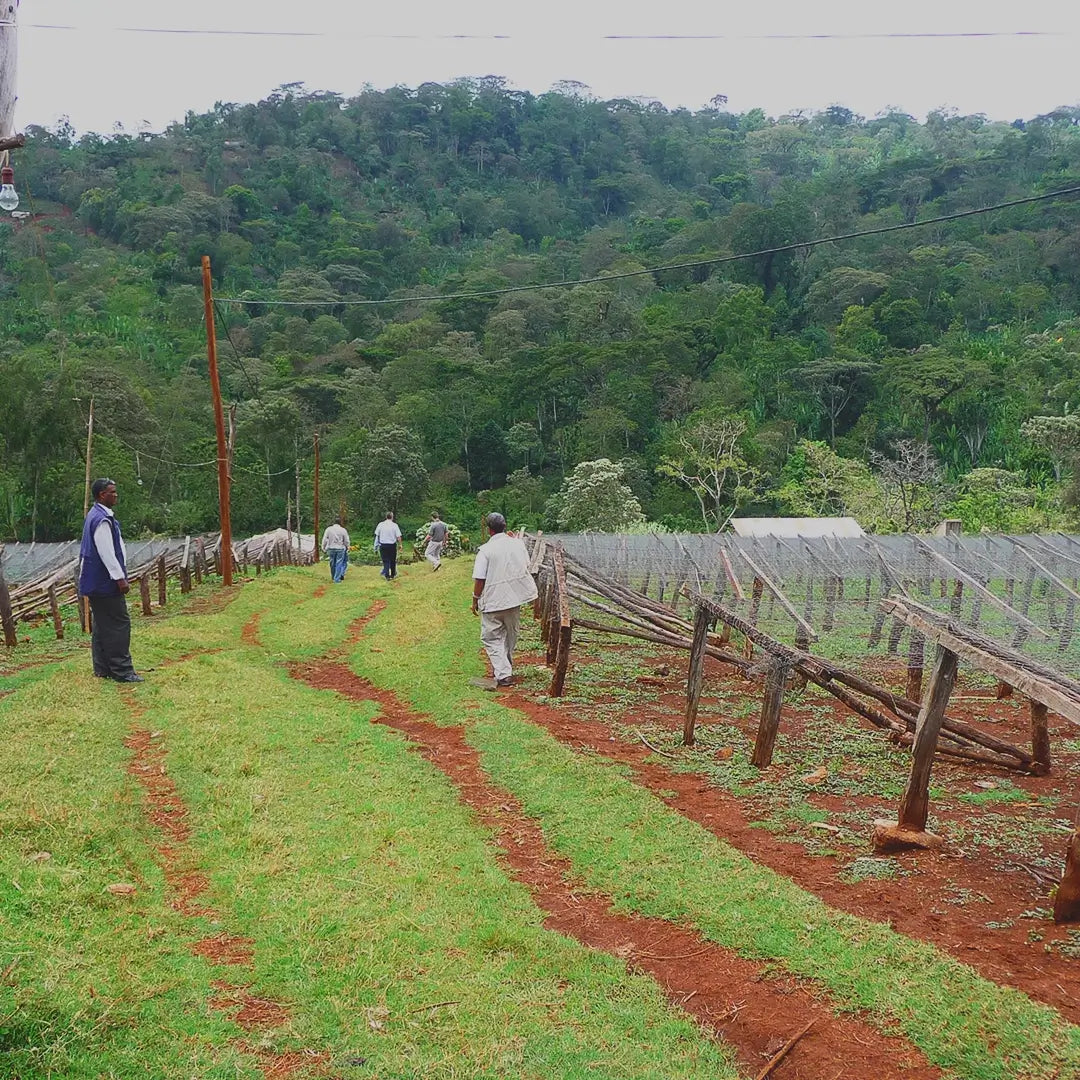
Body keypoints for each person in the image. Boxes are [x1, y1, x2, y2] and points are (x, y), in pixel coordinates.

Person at [78, 478, 143, 683]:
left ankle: (102, 667)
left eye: (115, 492)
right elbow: (106, 552)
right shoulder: (101, 520)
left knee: (102, 624)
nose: (115, 495)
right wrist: (119, 578)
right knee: (118, 624)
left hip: (96, 582)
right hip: (105, 582)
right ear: (101, 495)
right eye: (111, 492)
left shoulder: (97, 515)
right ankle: (122, 670)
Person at [471, 512, 538, 689]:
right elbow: (526, 565)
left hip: (493, 600)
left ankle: (503, 674)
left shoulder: (485, 550)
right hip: (514, 598)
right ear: (505, 525)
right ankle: (504, 670)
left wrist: (475, 599)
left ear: (489, 529)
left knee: (492, 637)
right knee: (510, 635)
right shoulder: (517, 544)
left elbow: (479, 578)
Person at [373, 511, 403, 579]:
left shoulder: (380, 524)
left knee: (385, 560)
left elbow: (377, 536)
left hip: (383, 545)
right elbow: (398, 536)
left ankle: (386, 575)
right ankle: (393, 574)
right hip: (392, 545)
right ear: (392, 517)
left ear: (386, 517)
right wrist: (400, 545)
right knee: (392, 560)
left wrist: (375, 546)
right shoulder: (395, 525)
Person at [321, 517, 351, 583]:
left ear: (333, 522)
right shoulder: (343, 530)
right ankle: (337, 579)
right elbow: (346, 540)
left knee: (332, 563)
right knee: (339, 563)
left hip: (331, 548)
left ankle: (333, 576)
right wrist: (348, 547)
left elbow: (325, 539)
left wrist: (323, 547)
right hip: (340, 548)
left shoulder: (328, 529)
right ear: (340, 523)